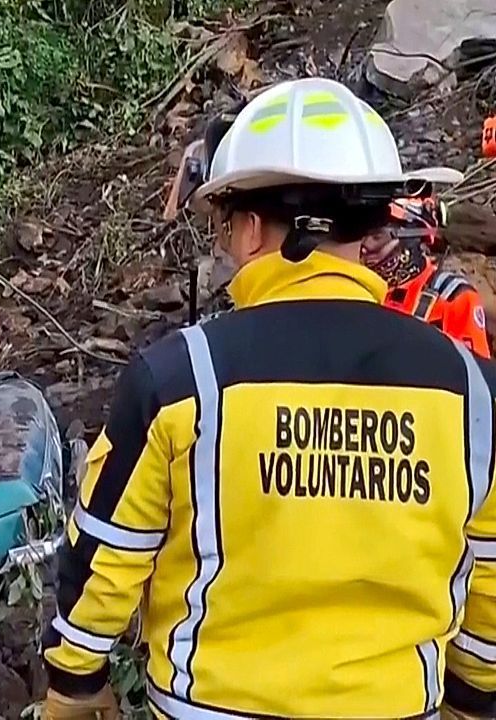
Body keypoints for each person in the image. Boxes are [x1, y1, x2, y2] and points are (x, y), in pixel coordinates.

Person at [40, 77, 496, 720]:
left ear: (251, 228)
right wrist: (473, 696)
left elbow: (107, 548)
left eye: (225, 225)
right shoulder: (474, 393)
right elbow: (488, 573)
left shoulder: (179, 379)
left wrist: (75, 684)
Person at [362, 195, 490, 358]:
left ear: (410, 238)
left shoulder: (452, 298)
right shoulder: (353, 286)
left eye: (376, 237)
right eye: (361, 235)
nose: (364, 246)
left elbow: (476, 374)